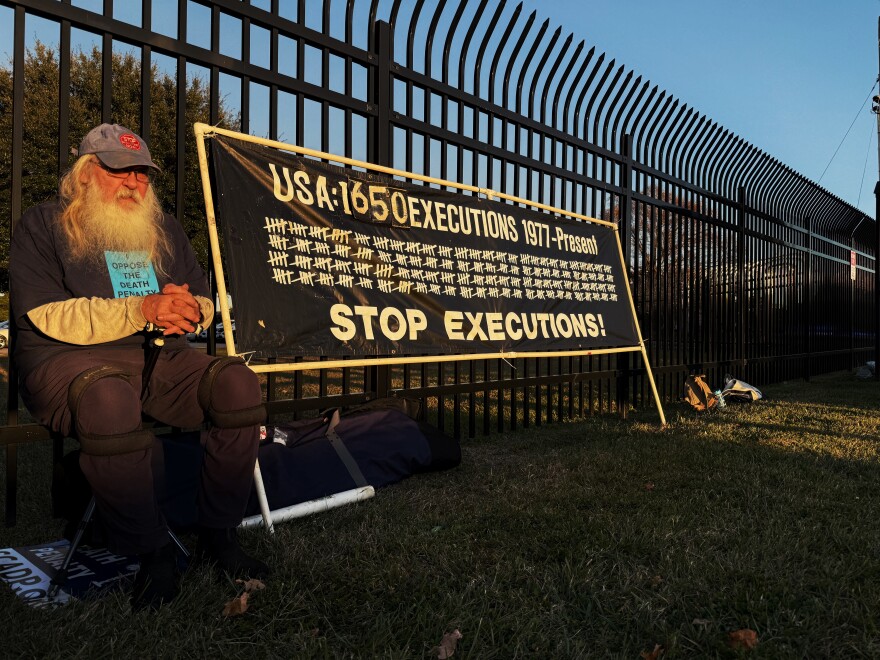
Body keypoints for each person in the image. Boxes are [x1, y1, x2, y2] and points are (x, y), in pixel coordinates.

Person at [9, 123, 269, 611]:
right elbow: (47, 315)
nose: (134, 183)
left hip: (157, 359)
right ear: (86, 173)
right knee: (109, 398)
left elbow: (204, 298)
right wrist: (141, 310)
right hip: (66, 361)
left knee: (235, 381)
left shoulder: (163, 229)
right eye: (119, 170)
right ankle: (151, 551)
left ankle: (220, 533)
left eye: (142, 174)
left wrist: (191, 310)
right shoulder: (42, 225)